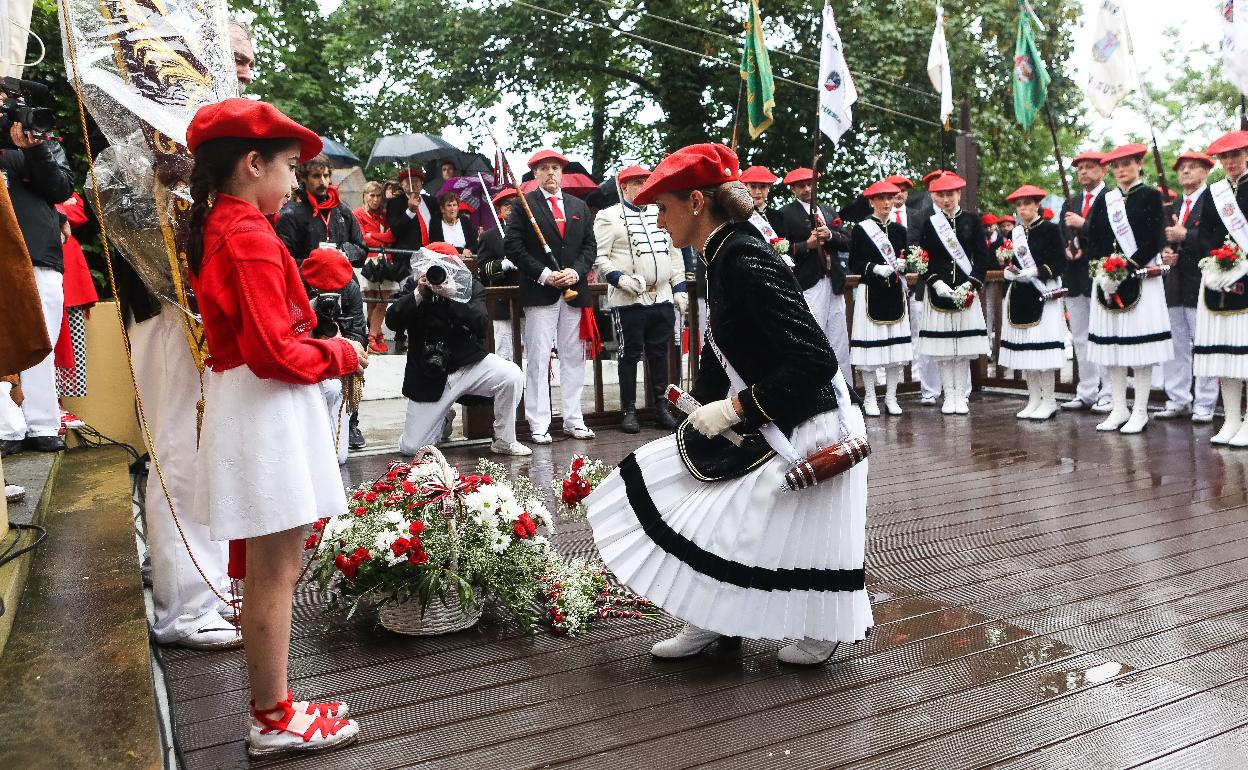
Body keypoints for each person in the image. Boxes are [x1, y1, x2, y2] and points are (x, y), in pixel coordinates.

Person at [584, 143, 871, 667]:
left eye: (664, 208)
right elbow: (725, 343)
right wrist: (704, 409)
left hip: (808, 421)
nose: (658, 219)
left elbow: (815, 359)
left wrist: (735, 411)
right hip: (771, 413)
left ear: (696, 202)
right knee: (692, 495)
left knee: (754, 526)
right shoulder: (722, 254)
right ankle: (715, 617)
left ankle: (821, 624)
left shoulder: (742, 256)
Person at [184, 98, 361, 755]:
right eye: (289, 167)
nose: (296, 182)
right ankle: (272, 718)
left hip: (254, 404)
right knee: (276, 570)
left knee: (269, 568)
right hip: (265, 407)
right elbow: (276, 352)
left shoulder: (226, 223)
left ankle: (275, 708)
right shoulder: (250, 232)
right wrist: (342, 353)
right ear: (252, 164)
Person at [385, 242, 530, 456]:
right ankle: (442, 419)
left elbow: (480, 324)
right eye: (434, 267)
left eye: (445, 266)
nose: (439, 272)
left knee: (512, 375)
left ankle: (504, 439)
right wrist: (419, 294)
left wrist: (453, 296)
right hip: (429, 373)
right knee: (411, 448)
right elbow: (392, 321)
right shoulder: (415, 286)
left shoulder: (469, 285)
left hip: (468, 365)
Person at [503, 149, 598, 443]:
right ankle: (538, 422)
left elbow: (589, 247)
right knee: (539, 358)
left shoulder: (578, 206)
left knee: (573, 358)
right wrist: (544, 274)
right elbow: (513, 247)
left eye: (555, 168)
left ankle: (573, 419)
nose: (551, 173)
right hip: (539, 291)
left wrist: (577, 272)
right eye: (544, 169)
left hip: (573, 290)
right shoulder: (524, 205)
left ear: (562, 172)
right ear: (535, 175)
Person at [1084, 143, 1173, 435]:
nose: (1121, 170)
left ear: (1138, 165)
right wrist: (1102, 268)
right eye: (1116, 166)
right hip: (1107, 280)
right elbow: (1092, 236)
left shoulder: (1150, 196)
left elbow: (1155, 239)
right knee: (1112, 346)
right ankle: (1119, 407)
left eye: (1127, 164)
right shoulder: (1106, 199)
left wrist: (1126, 267)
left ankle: (1140, 410)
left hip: (1139, 277)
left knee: (1139, 349)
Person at [0, 122, 76, 457]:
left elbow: (61, 187)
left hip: (37, 253)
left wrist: (33, 149)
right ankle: (7, 427)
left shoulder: (40, 141)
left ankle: (42, 425)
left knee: (41, 339)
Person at [593, 164, 686, 433]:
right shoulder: (608, 216)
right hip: (628, 298)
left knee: (659, 354)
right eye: (636, 183)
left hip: (663, 296)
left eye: (646, 182)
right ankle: (629, 409)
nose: (642, 187)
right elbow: (600, 258)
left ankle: (660, 408)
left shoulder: (662, 212)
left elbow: (675, 253)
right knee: (629, 354)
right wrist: (620, 279)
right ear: (624, 187)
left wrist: (679, 289)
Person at [918, 170, 992, 415]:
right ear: (934, 196)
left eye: (950, 194)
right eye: (940, 195)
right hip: (939, 293)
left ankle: (961, 395)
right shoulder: (930, 224)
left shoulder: (972, 220)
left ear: (958, 193)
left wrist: (970, 283)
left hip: (965, 292)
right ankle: (948, 395)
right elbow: (923, 259)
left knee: (962, 351)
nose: (946, 200)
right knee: (944, 351)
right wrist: (935, 282)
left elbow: (982, 259)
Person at [1193, 131, 1248, 445]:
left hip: (1247, 274)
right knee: (1225, 353)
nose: (1230, 162)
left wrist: (1243, 262)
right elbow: (1205, 234)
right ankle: (1230, 419)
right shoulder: (1215, 192)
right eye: (1225, 157)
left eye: (1235, 155)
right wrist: (1213, 262)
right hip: (1218, 280)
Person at [1158, 151, 1219, 422]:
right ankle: (1178, 398)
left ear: (1206, 172)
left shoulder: (1213, 200)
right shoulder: (1173, 205)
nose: (1185, 172)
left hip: (1202, 280)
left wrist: (1187, 236)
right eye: (1182, 168)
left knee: (1203, 343)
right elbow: (1167, 241)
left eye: (1192, 168)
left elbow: (1217, 239)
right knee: (1175, 344)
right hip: (1174, 281)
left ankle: (1205, 402)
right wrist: (1167, 253)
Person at [999, 185, 1067, 420]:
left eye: (1027, 204)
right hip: (1019, 294)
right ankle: (1033, 399)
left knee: (1042, 350)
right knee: (1026, 350)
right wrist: (1009, 272)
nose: (1022, 209)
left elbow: (1059, 262)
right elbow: (1009, 260)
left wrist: (1037, 271)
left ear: (1037, 205)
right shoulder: (1013, 234)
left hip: (1043, 292)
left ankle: (1049, 400)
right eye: (1018, 205)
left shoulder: (1050, 229)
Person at [779, 168, 852, 382]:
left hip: (834, 281)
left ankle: (845, 392)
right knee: (813, 335)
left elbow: (846, 240)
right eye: (801, 185)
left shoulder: (828, 211)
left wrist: (830, 234)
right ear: (793, 189)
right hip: (809, 282)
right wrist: (805, 245)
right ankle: (818, 389)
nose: (807, 189)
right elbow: (780, 248)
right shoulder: (786, 213)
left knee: (839, 337)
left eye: (810, 184)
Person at [848, 180, 912, 417]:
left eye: (889, 198)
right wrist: (874, 268)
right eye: (881, 199)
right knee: (871, 351)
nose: (887, 203)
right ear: (871, 202)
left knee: (894, 351)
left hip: (895, 293)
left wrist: (905, 264)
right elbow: (854, 261)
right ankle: (871, 397)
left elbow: (906, 258)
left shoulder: (899, 230)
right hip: (871, 293)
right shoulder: (861, 229)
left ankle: (892, 397)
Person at [300, 247, 368, 465]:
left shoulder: (351, 288)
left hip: (341, 365)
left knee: (338, 457)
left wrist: (339, 341)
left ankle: (350, 423)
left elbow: (359, 334)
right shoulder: (299, 287)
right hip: (307, 364)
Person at [1060, 151, 1111, 413]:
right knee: (1080, 337)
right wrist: (1067, 248)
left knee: (1103, 335)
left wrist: (1085, 224)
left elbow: (1110, 232)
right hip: (1075, 276)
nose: (1083, 172)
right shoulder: (1072, 201)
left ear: (1103, 170)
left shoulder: (1111, 198)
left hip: (1102, 275)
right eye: (1080, 168)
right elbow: (1062, 231)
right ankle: (1087, 390)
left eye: (1090, 167)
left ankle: (1109, 392)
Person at [888, 174, 941, 405]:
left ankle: (935, 387)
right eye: (895, 189)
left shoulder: (917, 215)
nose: (899, 193)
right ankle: (892, 387)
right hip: (892, 284)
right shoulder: (875, 221)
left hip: (923, 282)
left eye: (903, 190)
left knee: (929, 335)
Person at [275, 154, 367, 268]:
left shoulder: (342, 211)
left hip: (344, 283)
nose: (323, 181)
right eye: (316, 176)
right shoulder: (290, 214)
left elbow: (362, 250)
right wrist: (317, 262)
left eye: (326, 175)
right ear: (304, 177)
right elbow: (285, 260)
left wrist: (343, 254)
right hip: (307, 284)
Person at [53, 192, 99, 408]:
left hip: (68, 273)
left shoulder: (58, 185)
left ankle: (59, 404)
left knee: (72, 341)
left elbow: (78, 212)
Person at [476, 188, 522, 362]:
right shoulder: (490, 236)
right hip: (502, 305)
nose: (511, 208)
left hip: (529, 301)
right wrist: (503, 264)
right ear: (500, 210)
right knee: (505, 354)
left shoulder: (530, 232)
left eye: (516, 204)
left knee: (529, 353)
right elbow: (482, 271)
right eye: (507, 205)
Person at [353, 181, 397, 354]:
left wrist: (374, 236)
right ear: (364, 195)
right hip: (367, 260)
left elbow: (391, 236)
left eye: (378, 196)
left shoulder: (384, 215)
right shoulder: (357, 213)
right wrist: (379, 238)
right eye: (372, 195)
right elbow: (363, 239)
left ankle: (371, 335)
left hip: (385, 260)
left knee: (383, 298)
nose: (376, 199)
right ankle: (376, 335)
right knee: (371, 300)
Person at [429, 191, 477, 256]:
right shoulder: (435, 222)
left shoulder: (464, 220)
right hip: (445, 261)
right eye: (449, 205)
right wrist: (461, 250)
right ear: (442, 209)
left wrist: (469, 251)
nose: (452, 209)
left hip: (465, 261)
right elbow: (438, 246)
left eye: (454, 205)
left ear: (458, 208)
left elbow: (473, 243)